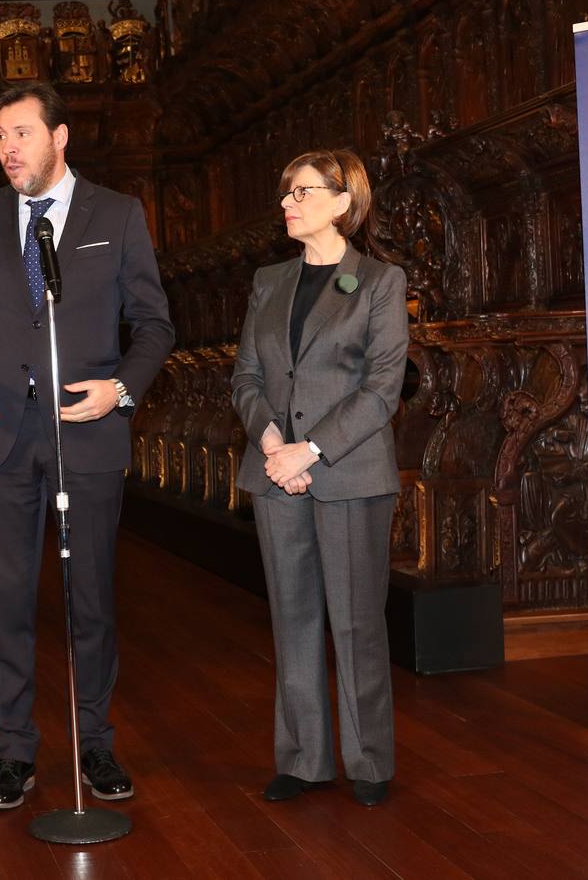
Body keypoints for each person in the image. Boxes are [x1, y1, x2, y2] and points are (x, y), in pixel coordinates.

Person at [0, 82, 174, 809]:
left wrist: (120, 389)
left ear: (59, 136)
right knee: (8, 599)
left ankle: (95, 744)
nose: (7, 148)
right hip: (2, 432)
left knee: (92, 598)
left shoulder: (119, 213)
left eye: (21, 133)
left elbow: (155, 325)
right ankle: (14, 751)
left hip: (88, 430)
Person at [230, 149, 408, 807]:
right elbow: (246, 376)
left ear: (343, 201)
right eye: (286, 192)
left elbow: (384, 388)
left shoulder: (380, 282)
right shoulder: (269, 280)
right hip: (274, 470)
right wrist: (274, 441)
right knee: (294, 618)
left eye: (301, 192)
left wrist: (311, 449)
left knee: (357, 622)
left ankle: (368, 762)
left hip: (350, 472)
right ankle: (304, 759)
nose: (287, 203)